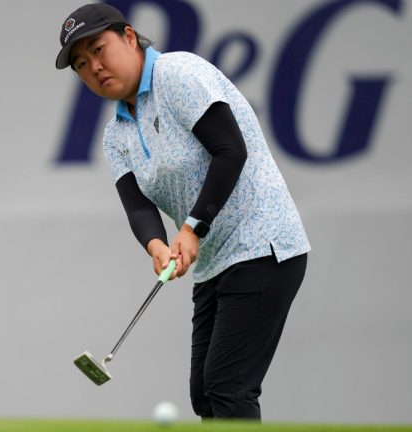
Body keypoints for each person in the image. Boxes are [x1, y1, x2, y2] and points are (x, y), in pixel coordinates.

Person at [55, 3, 311, 420]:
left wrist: (191, 228)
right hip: (215, 261)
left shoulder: (178, 74)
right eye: (82, 64)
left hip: (264, 244)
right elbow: (137, 205)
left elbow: (230, 150)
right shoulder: (115, 133)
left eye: (99, 50)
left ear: (130, 37)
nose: (94, 67)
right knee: (205, 396)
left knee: (229, 388)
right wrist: (157, 245)